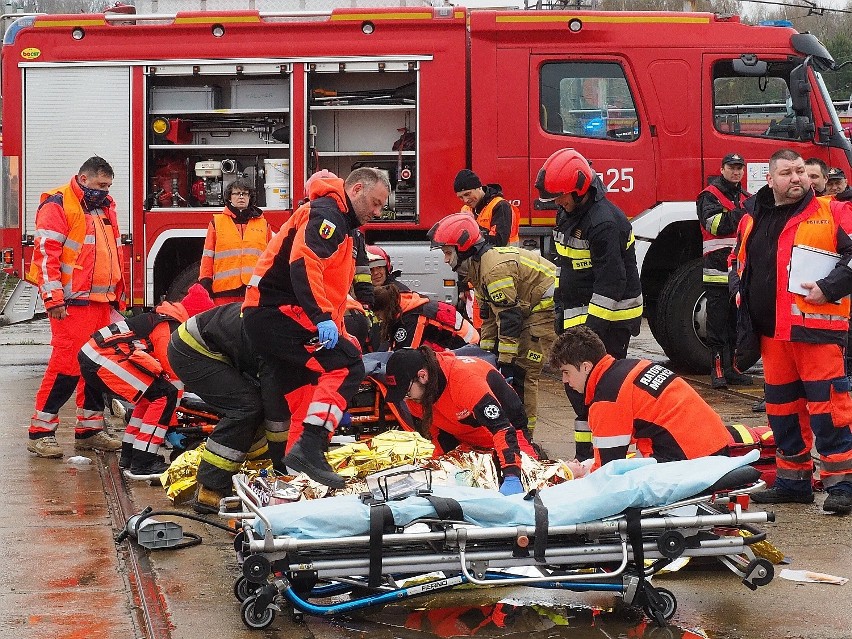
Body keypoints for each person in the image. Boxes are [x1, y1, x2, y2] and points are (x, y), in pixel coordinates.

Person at [242, 167, 390, 488]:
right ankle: (311, 447)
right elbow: (304, 265)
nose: (377, 213)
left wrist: (333, 319)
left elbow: (333, 281)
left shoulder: (344, 223)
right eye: (375, 203)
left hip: (275, 314)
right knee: (348, 363)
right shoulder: (328, 215)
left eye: (381, 207)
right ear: (357, 189)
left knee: (305, 394)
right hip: (277, 312)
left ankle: (294, 473)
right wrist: (323, 318)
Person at [732, 148, 852, 514]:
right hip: (771, 334)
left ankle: (842, 482)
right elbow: (738, 262)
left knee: (828, 407)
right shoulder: (751, 215)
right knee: (782, 410)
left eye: (800, 171)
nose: (796, 178)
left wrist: (829, 288)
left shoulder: (832, 211)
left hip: (816, 331)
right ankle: (793, 480)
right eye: (786, 172)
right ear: (769, 179)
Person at [536, 148, 642, 460]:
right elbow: (564, 265)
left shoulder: (603, 222)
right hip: (579, 313)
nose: (557, 201)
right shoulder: (568, 214)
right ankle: (586, 457)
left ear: (581, 190)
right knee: (578, 392)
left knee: (600, 391)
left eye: (562, 196)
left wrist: (589, 335)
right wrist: (560, 307)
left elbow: (611, 284)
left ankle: (613, 456)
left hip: (609, 319)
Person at [26, 156, 126, 458]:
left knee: (96, 368)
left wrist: (116, 298)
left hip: (99, 303)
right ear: (83, 179)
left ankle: (89, 431)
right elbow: (46, 255)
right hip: (71, 304)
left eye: (108, 186)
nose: (105, 190)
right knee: (66, 367)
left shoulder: (104, 206)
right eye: (100, 185)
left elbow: (112, 254)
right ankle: (40, 432)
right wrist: (53, 298)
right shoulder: (58, 204)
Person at [428, 212, 556, 431]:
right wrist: (485, 356)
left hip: (542, 312)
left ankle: (525, 435)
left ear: (464, 248)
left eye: (448, 253)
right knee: (505, 366)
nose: (446, 260)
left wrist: (504, 360)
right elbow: (488, 318)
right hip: (526, 310)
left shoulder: (494, 270)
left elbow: (509, 318)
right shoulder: (479, 270)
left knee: (523, 374)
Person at [77, 284, 214, 477]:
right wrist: (171, 425)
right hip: (101, 358)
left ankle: (131, 455)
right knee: (164, 395)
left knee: (150, 397)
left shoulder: (166, 319)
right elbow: (172, 374)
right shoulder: (169, 327)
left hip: (99, 356)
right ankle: (144, 462)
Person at [550, 326, 732, 471]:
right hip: (715, 446)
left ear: (586, 367)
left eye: (567, 372)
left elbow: (607, 472)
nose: (565, 381)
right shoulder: (633, 366)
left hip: (691, 462)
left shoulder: (608, 399)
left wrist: (578, 475)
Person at [167, 302, 288, 512]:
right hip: (193, 350)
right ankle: (210, 489)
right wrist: (282, 467)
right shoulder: (276, 340)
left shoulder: (290, 327)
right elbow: (276, 414)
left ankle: (256, 475)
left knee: (256, 407)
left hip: (212, 346)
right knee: (246, 408)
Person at [384, 346, 538, 495]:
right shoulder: (416, 397)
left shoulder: (464, 381)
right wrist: (439, 470)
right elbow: (436, 437)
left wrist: (512, 474)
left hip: (509, 436)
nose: (406, 400)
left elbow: (502, 428)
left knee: (535, 480)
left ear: (423, 376)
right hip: (467, 441)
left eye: (406, 393)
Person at [696, 152, 753, 388]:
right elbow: (716, 225)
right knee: (717, 324)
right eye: (731, 167)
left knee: (736, 324)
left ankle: (732, 369)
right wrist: (744, 212)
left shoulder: (746, 197)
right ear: (722, 169)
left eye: (739, 167)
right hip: (717, 271)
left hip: (737, 274)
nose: (736, 171)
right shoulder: (708, 197)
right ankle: (717, 370)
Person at [198, 179, 273, 305]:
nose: (241, 197)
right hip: (224, 292)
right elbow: (207, 256)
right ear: (229, 198)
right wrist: (205, 282)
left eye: (245, 193)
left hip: (254, 291)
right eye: (237, 193)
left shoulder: (264, 225)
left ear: (250, 197)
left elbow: (271, 258)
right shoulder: (217, 223)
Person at [372, 284, 479, 351]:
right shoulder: (406, 303)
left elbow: (407, 354)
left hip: (466, 348)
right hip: (465, 341)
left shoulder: (412, 319)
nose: (379, 319)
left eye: (378, 315)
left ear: (386, 309)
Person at [453, 169, 520, 247]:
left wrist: (472, 225)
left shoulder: (500, 205)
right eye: (461, 197)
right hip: (480, 258)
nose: (465, 200)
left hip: (504, 257)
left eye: (467, 194)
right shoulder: (465, 209)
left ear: (479, 188)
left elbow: (499, 242)